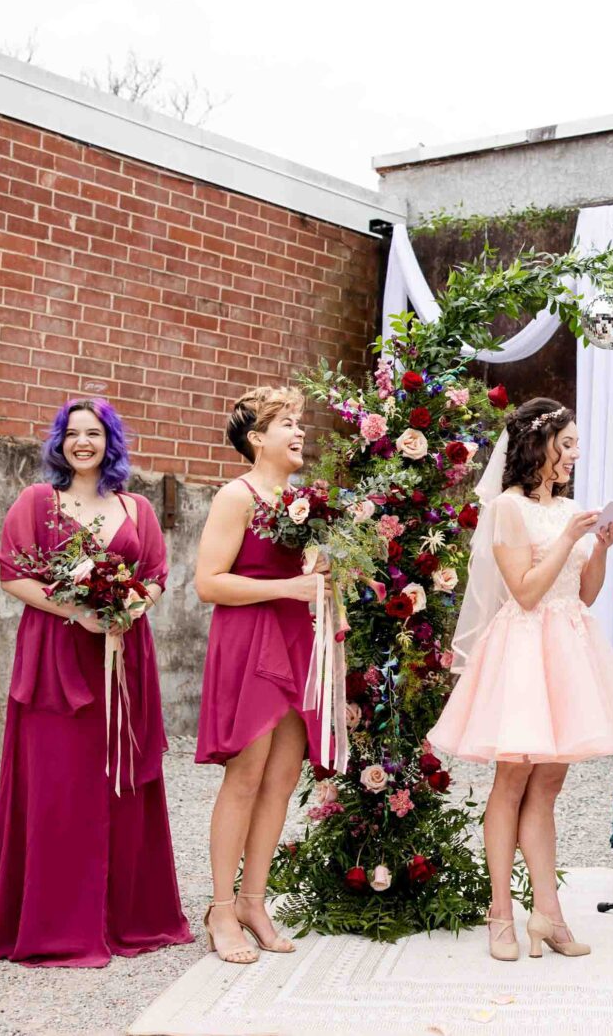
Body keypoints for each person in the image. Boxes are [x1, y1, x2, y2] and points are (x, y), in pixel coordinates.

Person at [0, 399, 192, 966]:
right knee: (58, 786)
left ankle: (125, 917)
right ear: (58, 443)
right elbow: (12, 572)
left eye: (94, 433)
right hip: (57, 661)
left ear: (112, 442)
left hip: (123, 660)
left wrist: (134, 607)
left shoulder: (136, 507)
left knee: (121, 781)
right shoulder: (39, 501)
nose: (81, 442)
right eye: (71, 433)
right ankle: (55, 922)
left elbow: (157, 575)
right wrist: (77, 611)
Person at [429, 398, 613, 962]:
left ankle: (548, 914)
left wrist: (600, 548)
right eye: (569, 443)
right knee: (511, 781)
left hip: (569, 648)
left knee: (549, 786)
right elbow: (526, 592)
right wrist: (565, 540)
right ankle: (500, 913)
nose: (577, 454)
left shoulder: (572, 508)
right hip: (524, 651)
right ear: (542, 445)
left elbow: (583, 594)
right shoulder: (508, 508)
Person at [194, 386, 330, 964]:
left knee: (280, 781)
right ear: (256, 439)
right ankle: (220, 909)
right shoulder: (237, 495)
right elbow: (208, 582)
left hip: (297, 640)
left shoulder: (302, 499)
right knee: (246, 776)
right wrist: (287, 586)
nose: (299, 431)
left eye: (299, 422)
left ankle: (255, 900)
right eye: (285, 424)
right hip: (251, 641)